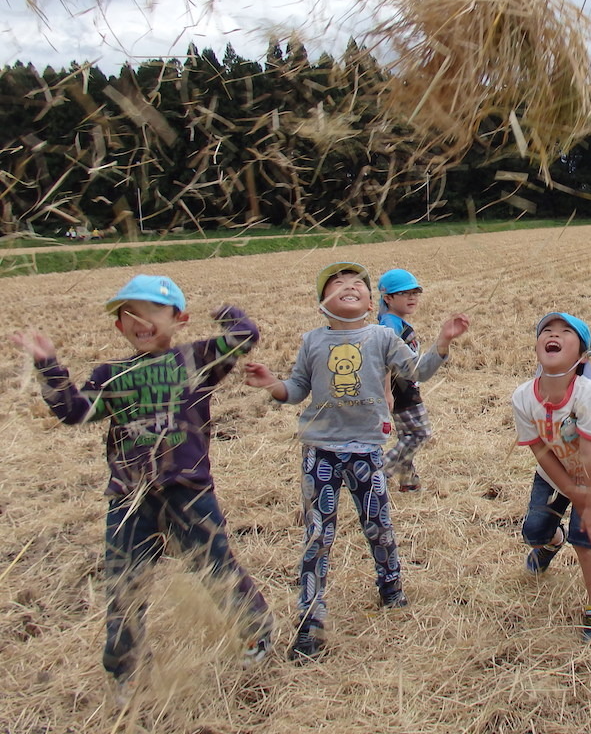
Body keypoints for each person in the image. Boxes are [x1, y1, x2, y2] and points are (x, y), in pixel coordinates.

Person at [11, 275, 272, 703]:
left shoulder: (196, 359)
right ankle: (127, 671)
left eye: (152, 310)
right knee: (123, 586)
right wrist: (49, 367)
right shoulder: (111, 375)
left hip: (187, 490)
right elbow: (74, 412)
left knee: (216, 568)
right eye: (127, 313)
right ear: (119, 327)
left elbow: (244, 337)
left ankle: (255, 632)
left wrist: (225, 312)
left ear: (178, 319)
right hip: (128, 498)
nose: (139, 320)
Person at [243, 262, 469, 662]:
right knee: (317, 534)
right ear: (321, 303)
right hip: (320, 450)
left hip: (366, 448)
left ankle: (391, 587)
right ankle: (310, 619)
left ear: (371, 301)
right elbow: (296, 390)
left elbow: (417, 371)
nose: (349, 287)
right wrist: (272, 384)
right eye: (337, 283)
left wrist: (442, 342)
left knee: (377, 525)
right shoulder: (311, 341)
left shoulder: (383, 336)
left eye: (357, 285)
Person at [515, 312, 591, 640]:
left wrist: (589, 505)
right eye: (546, 330)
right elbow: (541, 450)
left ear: (582, 355)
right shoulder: (523, 398)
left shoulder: (587, 396)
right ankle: (550, 542)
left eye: (565, 332)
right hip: (552, 471)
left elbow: (589, 454)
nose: (553, 334)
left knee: (586, 537)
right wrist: (569, 490)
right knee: (534, 531)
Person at [377, 268, 434, 492]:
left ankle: (409, 483)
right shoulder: (389, 324)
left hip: (402, 387)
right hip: (400, 389)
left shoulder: (394, 321)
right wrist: (387, 392)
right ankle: (378, 474)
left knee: (406, 435)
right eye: (404, 293)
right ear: (387, 298)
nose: (412, 298)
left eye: (415, 292)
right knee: (419, 433)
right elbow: (383, 358)